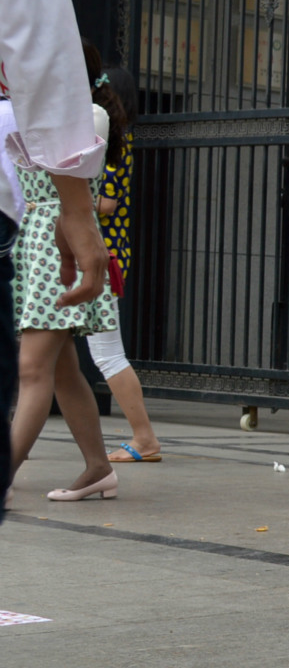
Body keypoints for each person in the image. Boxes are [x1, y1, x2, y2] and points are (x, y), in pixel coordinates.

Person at [0, 0, 110, 517]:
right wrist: (75, 200)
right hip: (36, 234)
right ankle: (95, 461)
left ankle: (95, 462)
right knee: (48, 362)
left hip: (37, 238)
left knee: (47, 361)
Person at [10, 94, 118, 502]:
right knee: (61, 371)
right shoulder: (20, 113)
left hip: (60, 242)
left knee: (34, 368)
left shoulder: (89, 115)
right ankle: (98, 467)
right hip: (32, 242)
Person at [82, 43, 162, 465]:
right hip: (97, 253)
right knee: (47, 356)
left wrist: (62, 192)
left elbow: (106, 203)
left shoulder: (111, 139)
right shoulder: (112, 136)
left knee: (106, 352)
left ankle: (144, 438)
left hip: (102, 255)